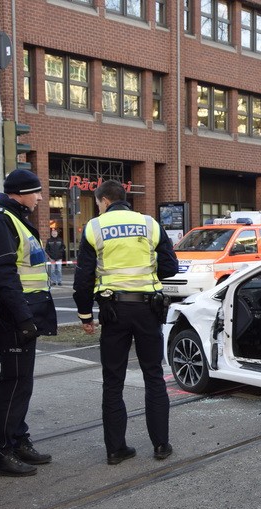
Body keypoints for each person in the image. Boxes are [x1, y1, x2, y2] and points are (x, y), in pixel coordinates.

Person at [73, 180, 178, 465]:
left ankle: (115, 449)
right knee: (154, 376)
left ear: (104, 201)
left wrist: (85, 315)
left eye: (97, 203)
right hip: (147, 310)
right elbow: (170, 268)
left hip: (113, 311)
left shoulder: (94, 227)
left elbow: (83, 279)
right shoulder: (150, 225)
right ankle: (160, 445)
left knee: (113, 380)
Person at [0, 169, 57, 477]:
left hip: (24, 313)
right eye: (36, 192)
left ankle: (18, 439)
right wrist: (23, 317)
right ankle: (2, 453)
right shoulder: (0, 220)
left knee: (22, 383)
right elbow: (4, 275)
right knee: (13, 384)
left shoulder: (12, 218)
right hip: (14, 316)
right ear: (20, 193)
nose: (39, 197)